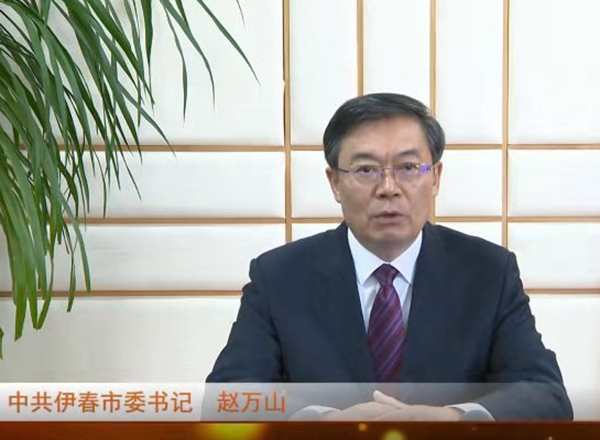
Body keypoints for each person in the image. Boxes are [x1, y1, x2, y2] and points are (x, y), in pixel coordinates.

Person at [206, 93, 572, 421]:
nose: (388, 188)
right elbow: (225, 398)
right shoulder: (279, 276)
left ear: (436, 178)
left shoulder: (488, 272)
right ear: (334, 182)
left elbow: (546, 395)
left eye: (408, 167)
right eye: (365, 170)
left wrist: (454, 419)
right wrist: (323, 422)